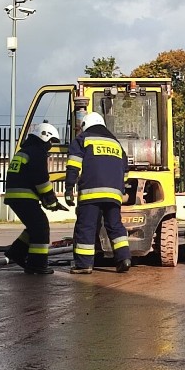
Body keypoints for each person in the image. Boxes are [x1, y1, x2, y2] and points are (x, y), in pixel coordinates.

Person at [65, 112, 132, 274]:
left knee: (86, 226)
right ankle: (124, 258)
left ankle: (84, 265)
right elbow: (125, 171)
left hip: (91, 193)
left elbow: (73, 166)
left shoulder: (83, 140)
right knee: (115, 226)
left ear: (85, 125)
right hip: (114, 194)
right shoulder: (116, 144)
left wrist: (68, 189)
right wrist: (120, 190)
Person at [3, 122, 66, 274]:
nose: (51, 145)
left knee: (34, 227)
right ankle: (37, 264)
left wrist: (49, 202)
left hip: (15, 196)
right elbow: (41, 180)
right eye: (51, 142)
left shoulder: (24, 151)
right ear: (44, 136)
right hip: (24, 196)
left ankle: (16, 253)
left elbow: (28, 177)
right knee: (41, 227)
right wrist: (51, 200)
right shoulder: (37, 152)